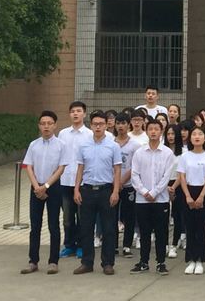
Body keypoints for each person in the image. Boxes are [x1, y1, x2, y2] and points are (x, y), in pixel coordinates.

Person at [73, 110, 122, 275]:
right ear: (91, 125)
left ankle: (108, 263)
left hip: (106, 190)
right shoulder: (84, 145)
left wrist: (115, 191)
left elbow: (117, 170)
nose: (98, 127)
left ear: (106, 125)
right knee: (86, 228)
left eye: (101, 124)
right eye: (95, 124)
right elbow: (80, 168)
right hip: (87, 190)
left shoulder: (113, 146)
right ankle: (87, 262)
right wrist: (76, 189)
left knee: (108, 229)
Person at [21, 110, 67, 275]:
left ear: (55, 125)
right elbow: (28, 166)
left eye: (49, 123)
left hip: (53, 187)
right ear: (39, 126)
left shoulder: (61, 145)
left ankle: (53, 261)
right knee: (35, 226)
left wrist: (46, 186)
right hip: (36, 187)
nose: (46, 126)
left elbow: (61, 168)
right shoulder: (34, 144)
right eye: (43, 123)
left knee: (53, 225)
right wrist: (37, 187)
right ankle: (33, 261)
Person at [129, 118, 172, 275]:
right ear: (146, 131)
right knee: (144, 232)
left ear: (161, 132)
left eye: (156, 129)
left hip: (161, 199)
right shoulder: (139, 152)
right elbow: (134, 175)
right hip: (142, 200)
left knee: (161, 232)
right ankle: (143, 262)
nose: (153, 132)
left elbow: (167, 176)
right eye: (150, 129)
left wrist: (154, 192)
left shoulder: (167, 153)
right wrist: (144, 191)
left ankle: (161, 262)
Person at [177, 126, 205, 275]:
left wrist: (201, 196)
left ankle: (200, 260)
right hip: (187, 192)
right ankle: (191, 260)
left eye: (200, 134)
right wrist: (187, 196)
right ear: (190, 138)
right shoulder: (185, 156)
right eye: (194, 134)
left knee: (200, 228)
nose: (197, 136)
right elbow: (182, 176)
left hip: (203, 192)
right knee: (190, 228)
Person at [57, 101, 92, 259]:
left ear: (84, 114)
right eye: (72, 111)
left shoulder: (89, 135)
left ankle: (82, 246)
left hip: (83, 182)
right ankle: (69, 245)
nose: (75, 114)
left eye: (78, 111)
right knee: (67, 218)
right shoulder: (63, 134)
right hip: (65, 181)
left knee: (83, 217)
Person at [114, 112, 141, 257]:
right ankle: (113, 245)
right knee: (112, 216)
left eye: (123, 123)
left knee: (129, 216)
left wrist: (122, 182)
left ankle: (126, 245)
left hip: (129, 185)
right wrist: (115, 183)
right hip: (112, 186)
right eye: (118, 123)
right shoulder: (110, 143)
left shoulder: (135, 145)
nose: (120, 126)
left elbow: (134, 166)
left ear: (128, 125)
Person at [164, 123, 185, 257]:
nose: (171, 136)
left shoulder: (184, 152)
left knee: (177, 216)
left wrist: (173, 187)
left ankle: (174, 244)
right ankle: (164, 244)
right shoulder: (162, 150)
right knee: (163, 217)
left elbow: (183, 172)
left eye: (173, 134)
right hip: (163, 184)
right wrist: (165, 186)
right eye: (168, 134)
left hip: (178, 184)